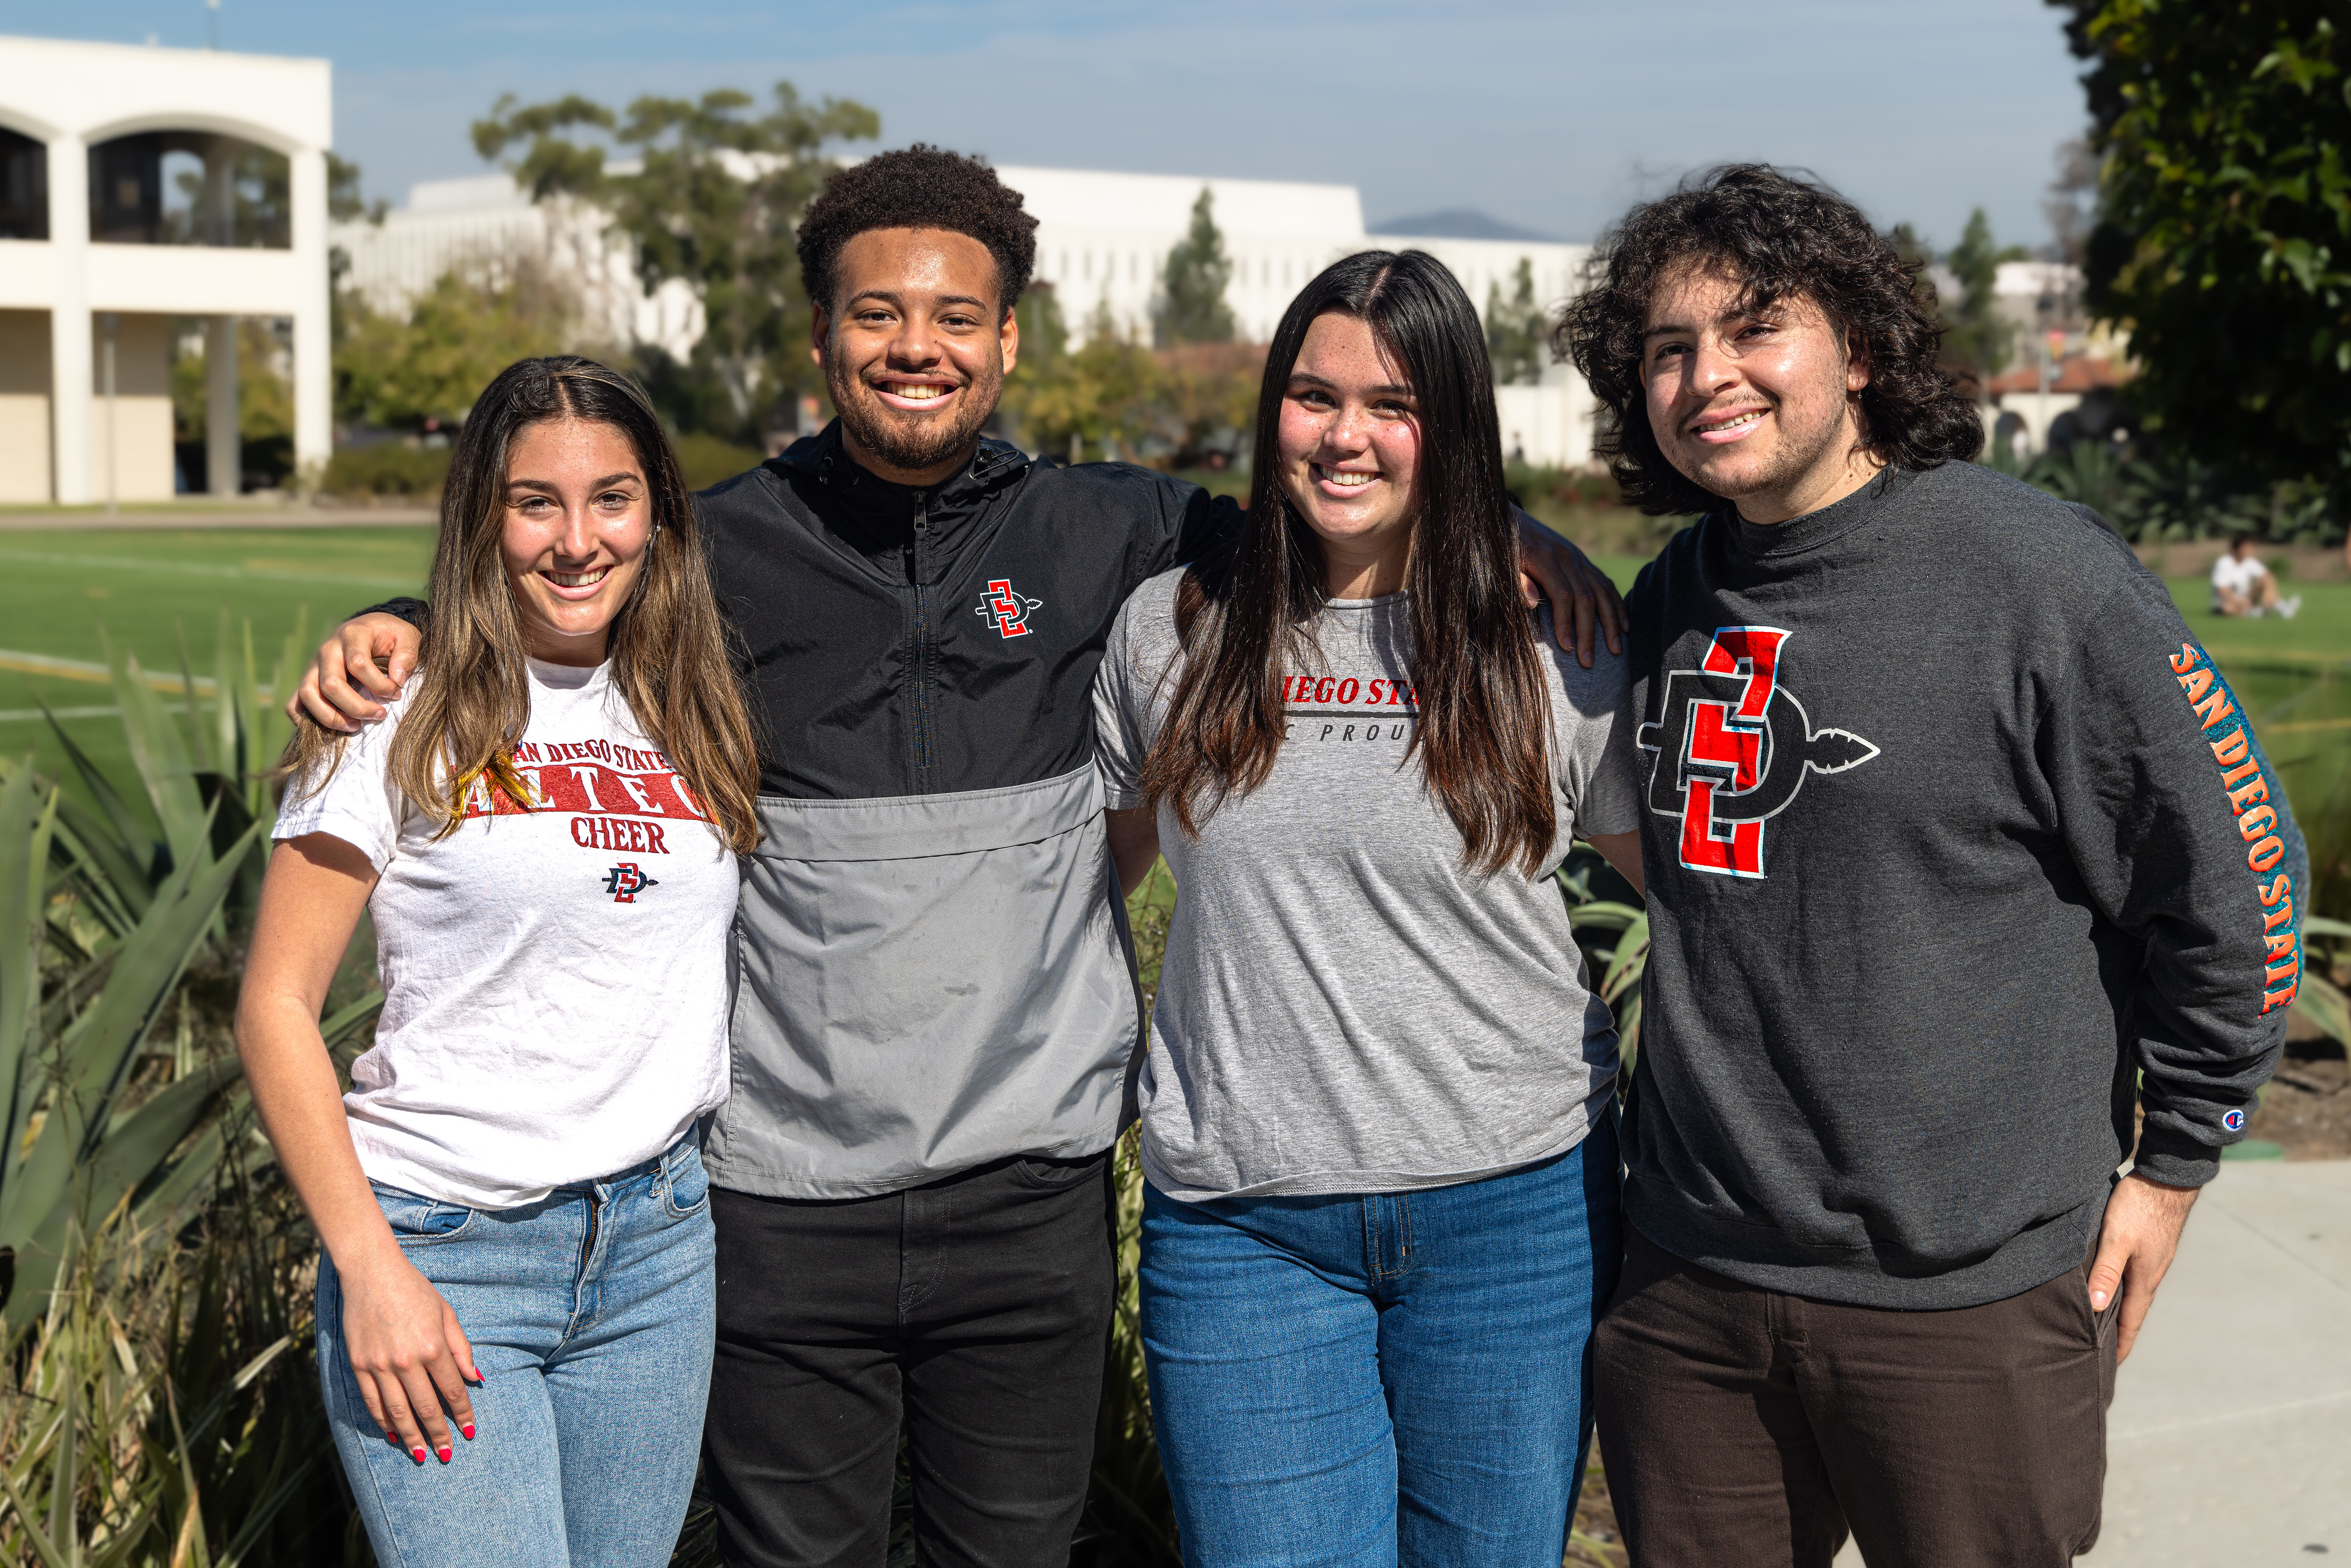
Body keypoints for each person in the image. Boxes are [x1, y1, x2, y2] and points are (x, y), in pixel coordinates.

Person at [285, 147, 1624, 1567]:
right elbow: (556, 574)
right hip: (782, 1203)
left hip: (1030, 1197)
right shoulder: (714, 548)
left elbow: (1343, 502)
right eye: (875, 314)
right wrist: (398, 621)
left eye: (952, 317)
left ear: (1005, 342)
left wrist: (1508, 524)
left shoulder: (1116, 530)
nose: (913, 346)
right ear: (821, 337)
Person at [1560, 165, 2298, 1567]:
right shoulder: (1669, 595)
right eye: (1667, 347)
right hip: (1692, 1287)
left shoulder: (2038, 581)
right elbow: (1671, 872)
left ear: (1858, 345)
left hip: (1963, 1300)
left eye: (1751, 327)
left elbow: (2235, 869)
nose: (1705, 373)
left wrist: (2174, 1157)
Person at [1092, 250, 1645, 1566]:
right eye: (1311, 394)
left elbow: (1694, 894)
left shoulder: (1555, 644)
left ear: (1451, 425)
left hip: (1514, 1214)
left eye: (1393, 404)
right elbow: (1085, 891)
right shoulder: (1167, 631)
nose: (1345, 435)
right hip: (1242, 1226)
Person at [236, 356, 763, 1566]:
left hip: (658, 1247)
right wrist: (369, 1264)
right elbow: (274, 1004)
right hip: (449, 1248)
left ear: (660, 516)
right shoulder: (388, 706)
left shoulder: (692, 701)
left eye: (612, 498)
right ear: (484, 514)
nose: (577, 540)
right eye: (536, 501)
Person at [2212, 532, 2299, 618]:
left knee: (2265, 581)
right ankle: (2258, 611)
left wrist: (2268, 591)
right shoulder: (2224, 562)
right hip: (2227, 601)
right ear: (2238, 548)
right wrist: (2238, 602)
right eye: (2247, 547)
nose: (2251, 550)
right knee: (2228, 609)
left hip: (2246, 598)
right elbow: (2222, 589)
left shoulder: (2249, 561)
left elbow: (2268, 576)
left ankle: (2281, 606)